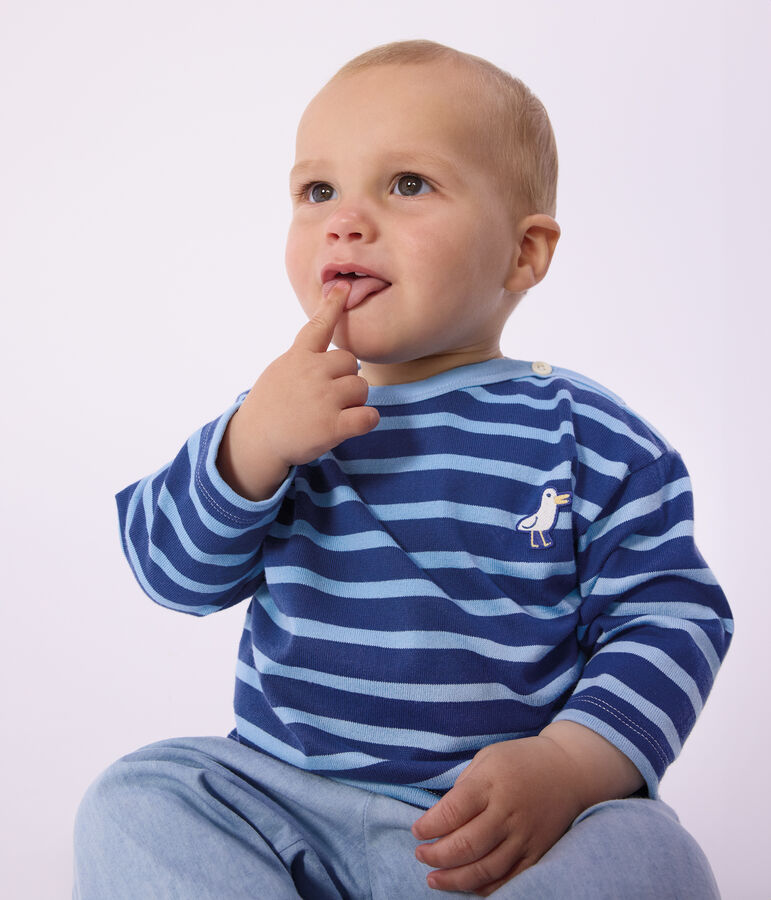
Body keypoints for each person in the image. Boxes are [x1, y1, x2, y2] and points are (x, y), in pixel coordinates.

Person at [73, 40, 732, 898]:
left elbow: (672, 617)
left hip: (498, 842)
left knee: (651, 851)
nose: (344, 220)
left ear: (522, 254)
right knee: (138, 796)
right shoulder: (284, 416)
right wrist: (248, 445)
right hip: (288, 812)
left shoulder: (593, 436)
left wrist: (569, 766)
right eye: (318, 191)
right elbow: (171, 576)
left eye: (407, 184)